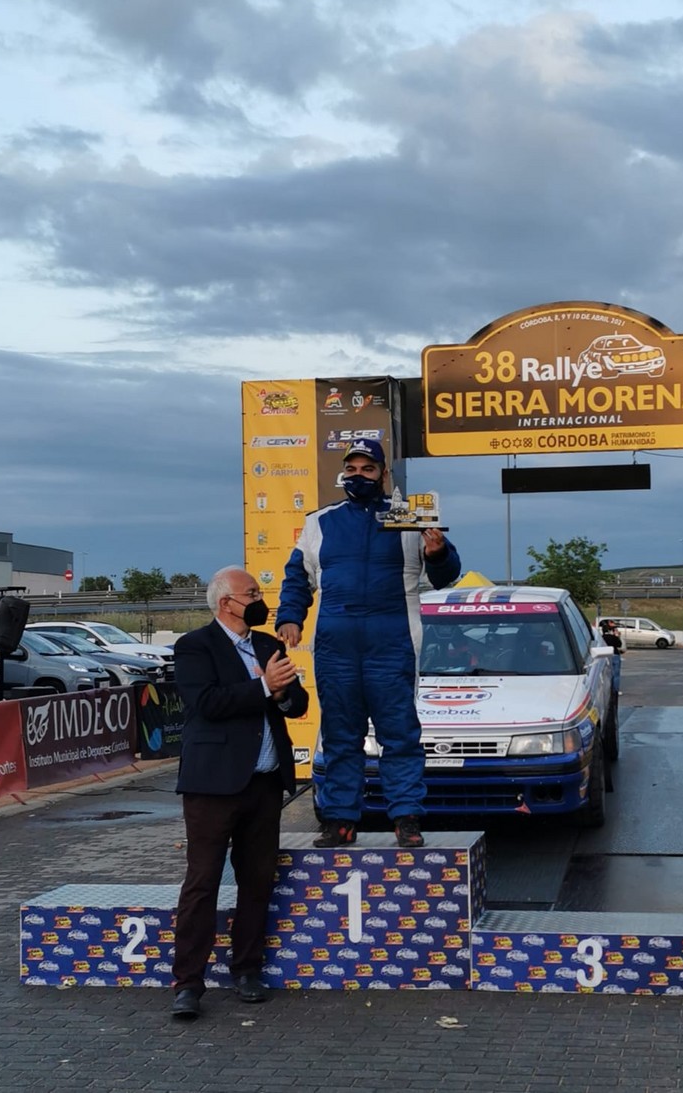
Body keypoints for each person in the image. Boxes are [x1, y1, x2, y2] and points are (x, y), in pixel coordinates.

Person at [275, 438, 460, 850]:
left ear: (383, 474)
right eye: (352, 469)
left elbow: (446, 575)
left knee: (399, 735)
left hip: (392, 641)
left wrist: (438, 551)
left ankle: (407, 819)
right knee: (341, 736)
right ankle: (339, 821)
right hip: (336, 644)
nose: (358, 476)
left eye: (368, 469)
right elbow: (296, 578)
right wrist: (290, 617)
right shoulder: (319, 522)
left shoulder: (410, 518)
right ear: (344, 473)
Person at [170, 566, 308, 1021]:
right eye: (251, 592)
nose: (259, 598)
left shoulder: (268, 645)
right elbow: (206, 704)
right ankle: (188, 982)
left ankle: (247, 969)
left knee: (257, 881)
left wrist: (284, 694)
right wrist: (265, 686)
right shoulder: (195, 646)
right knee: (202, 882)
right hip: (213, 786)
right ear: (226, 602)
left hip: (265, 785)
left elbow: (298, 702)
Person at [600, 619, 623, 695]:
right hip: (615, 655)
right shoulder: (613, 637)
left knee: (606, 674)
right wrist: (617, 636)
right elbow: (619, 644)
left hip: (605, 656)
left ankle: (607, 690)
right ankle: (615, 690)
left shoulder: (602, 638)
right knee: (616, 674)